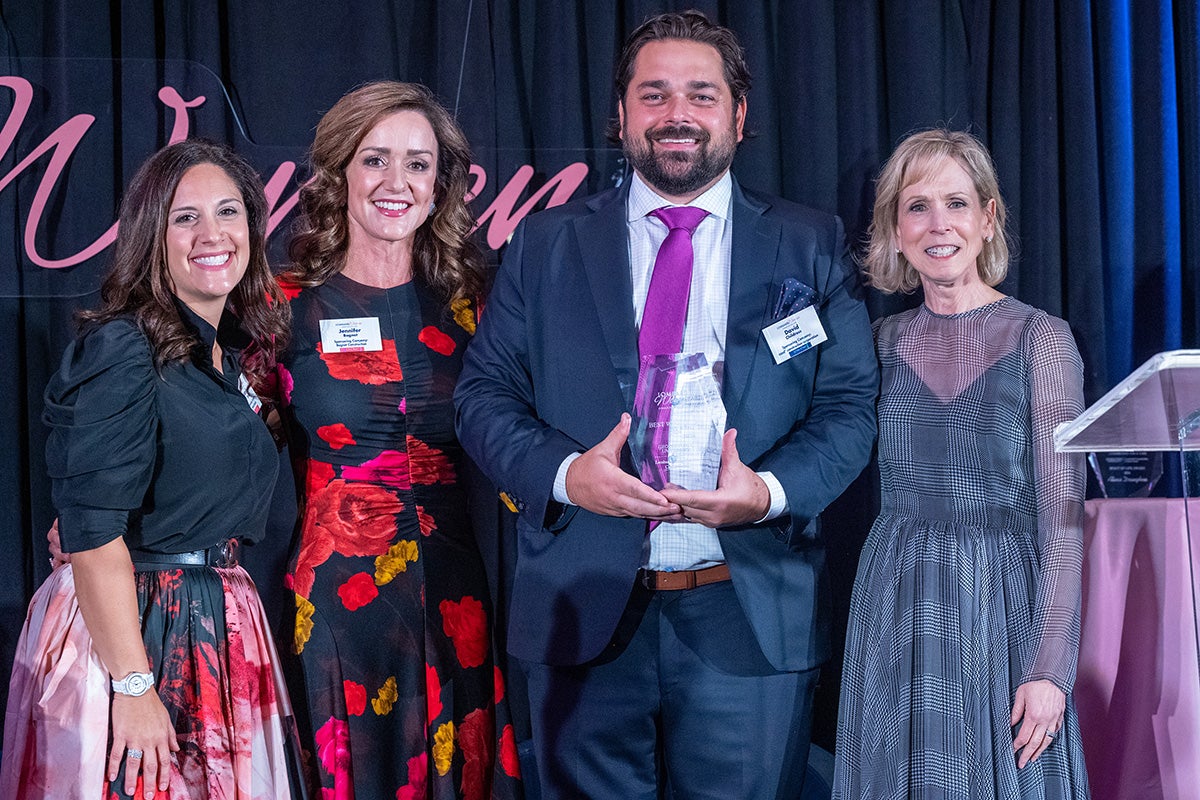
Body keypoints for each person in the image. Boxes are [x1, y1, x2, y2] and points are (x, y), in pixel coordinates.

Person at [454, 11, 878, 799]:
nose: (677, 113)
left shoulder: (809, 243)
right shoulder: (544, 245)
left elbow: (849, 406)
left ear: (739, 116)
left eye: (701, 94)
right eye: (653, 95)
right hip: (582, 615)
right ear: (620, 115)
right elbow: (483, 395)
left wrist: (769, 493)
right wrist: (564, 474)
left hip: (747, 614)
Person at [1, 140, 303, 799]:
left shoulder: (229, 357)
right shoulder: (123, 345)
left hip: (211, 621)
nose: (212, 233)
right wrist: (133, 688)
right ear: (150, 235)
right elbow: (92, 531)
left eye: (228, 211)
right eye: (184, 217)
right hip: (140, 631)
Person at [275, 81, 522, 799]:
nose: (396, 183)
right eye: (375, 160)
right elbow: (224, 437)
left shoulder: (478, 305)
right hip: (336, 605)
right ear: (337, 173)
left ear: (439, 184)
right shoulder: (280, 303)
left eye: (417, 164)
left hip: (457, 599)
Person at [832, 129, 1091, 799]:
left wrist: (1050, 669)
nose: (937, 223)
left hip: (1003, 606)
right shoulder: (879, 342)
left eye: (956, 202)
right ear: (894, 226)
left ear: (987, 218)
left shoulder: (1042, 339)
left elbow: (1065, 520)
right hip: (898, 607)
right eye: (917, 206)